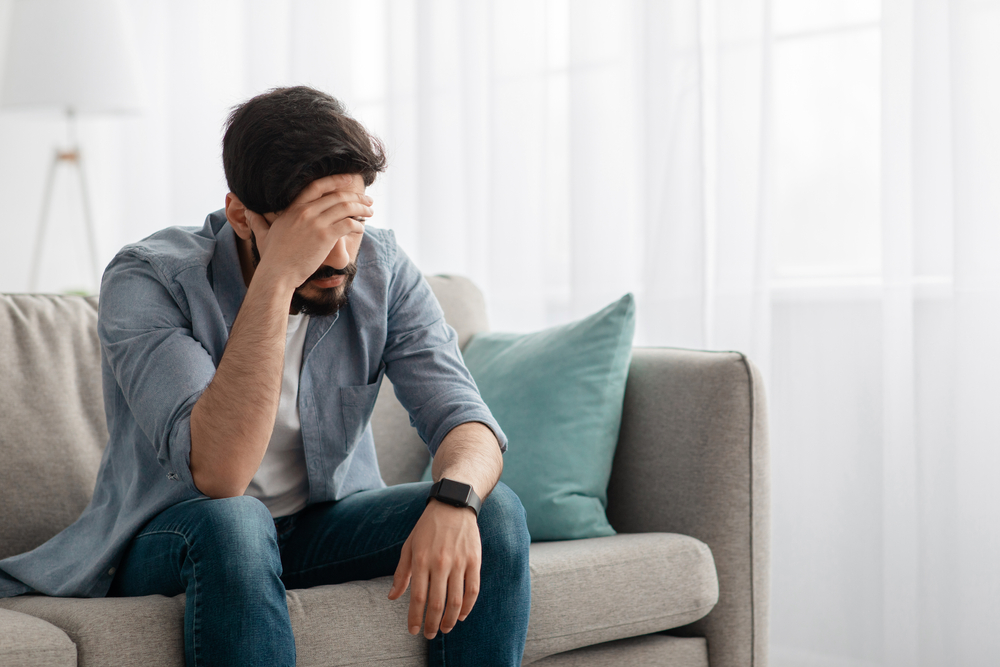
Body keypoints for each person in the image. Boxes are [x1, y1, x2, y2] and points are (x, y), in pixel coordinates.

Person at [0, 86, 531, 666]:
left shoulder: (380, 268)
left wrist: (455, 501)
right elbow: (221, 475)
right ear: (241, 216)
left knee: (493, 510)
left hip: (321, 522)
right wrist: (275, 281)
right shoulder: (150, 279)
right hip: (178, 534)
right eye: (311, 230)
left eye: (349, 221)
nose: (337, 257)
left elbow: (464, 417)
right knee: (236, 520)